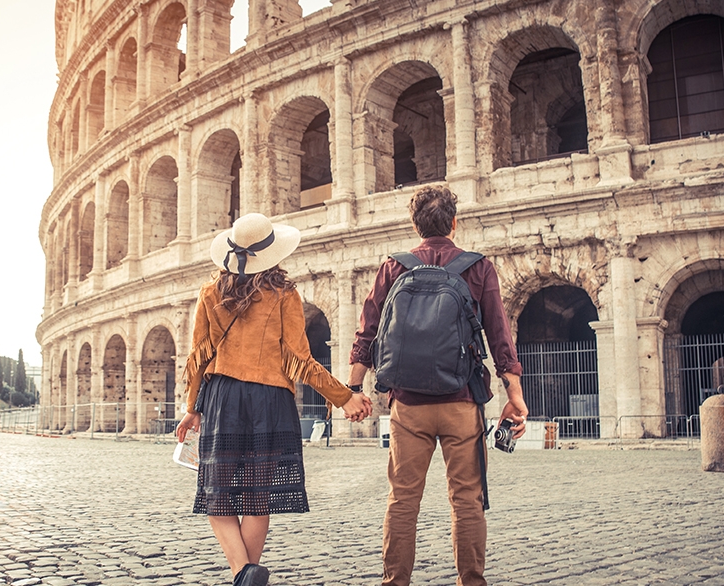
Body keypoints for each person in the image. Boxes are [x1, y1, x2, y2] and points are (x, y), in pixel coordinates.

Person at [176, 213, 372, 586]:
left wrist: (192, 409)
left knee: (216, 493)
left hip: (222, 399)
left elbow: (198, 356)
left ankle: (242, 572)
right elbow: (300, 360)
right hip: (271, 401)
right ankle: (246, 575)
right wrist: (344, 397)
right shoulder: (285, 294)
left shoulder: (210, 293)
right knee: (256, 495)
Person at [348, 185, 528, 586]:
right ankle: (471, 581)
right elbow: (500, 336)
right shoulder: (478, 267)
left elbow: (368, 332)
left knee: (402, 500)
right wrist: (514, 395)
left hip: (408, 405)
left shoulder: (394, 267)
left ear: (415, 225)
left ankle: (395, 582)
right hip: (461, 401)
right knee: (467, 501)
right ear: (454, 222)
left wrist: (354, 388)